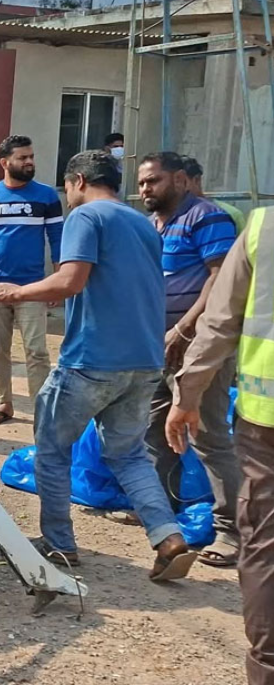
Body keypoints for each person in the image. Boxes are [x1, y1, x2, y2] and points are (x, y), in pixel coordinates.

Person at [0, 150, 196, 582]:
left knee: (52, 449)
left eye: (67, 187)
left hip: (92, 358)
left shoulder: (86, 216)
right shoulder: (144, 223)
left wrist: (13, 292)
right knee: (128, 455)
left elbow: (70, 280)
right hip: (143, 360)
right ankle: (168, 537)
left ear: (78, 181)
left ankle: (59, 544)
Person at [166, 207, 274, 685]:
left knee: (266, 546)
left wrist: (187, 393)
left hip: (266, 424)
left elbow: (220, 321)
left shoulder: (264, 228)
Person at [137, 152, 242, 566]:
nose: (145, 189)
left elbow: (220, 280)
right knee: (153, 429)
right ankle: (160, 514)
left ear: (180, 179)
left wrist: (183, 329)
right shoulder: (152, 225)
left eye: (154, 181)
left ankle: (232, 531)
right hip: (157, 346)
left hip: (200, 349)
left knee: (208, 436)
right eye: (142, 183)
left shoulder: (207, 217)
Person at [0, 134, 64, 425]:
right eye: (23, 158)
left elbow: (57, 240)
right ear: (5, 163)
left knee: (37, 351)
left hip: (32, 287)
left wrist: (57, 282)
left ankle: (42, 410)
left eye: (31, 156)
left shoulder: (47, 197)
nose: (29, 162)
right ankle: (4, 403)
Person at [183, 156, 246, 231]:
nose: (176, 189)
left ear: (197, 180)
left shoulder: (232, 215)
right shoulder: (172, 215)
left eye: (182, 182)